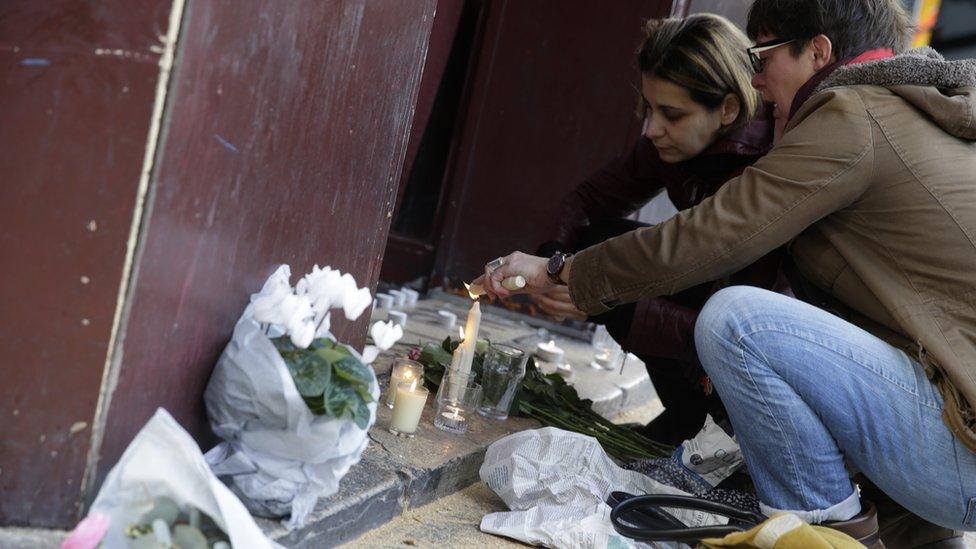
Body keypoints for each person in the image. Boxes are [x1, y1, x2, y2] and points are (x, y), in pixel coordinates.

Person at [477, 0, 976, 543]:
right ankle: (875, 528)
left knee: (739, 321)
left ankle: (821, 534)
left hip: (959, 451)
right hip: (951, 449)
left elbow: (710, 235)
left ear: (818, 51)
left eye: (763, 55)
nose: (757, 78)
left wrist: (564, 272)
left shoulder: (854, 116)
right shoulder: (898, 114)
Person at [533, 13, 789, 445]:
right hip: (703, 309)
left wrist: (611, 299)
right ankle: (684, 417)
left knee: (614, 274)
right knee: (601, 244)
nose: (652, 129)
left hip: (760, 354)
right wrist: (552, 261)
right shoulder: (673, 143)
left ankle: (710, 434)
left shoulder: (765, 169)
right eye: (648, 109)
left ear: (728, 108)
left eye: (671, 114)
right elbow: (589, 200)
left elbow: (743, 331)